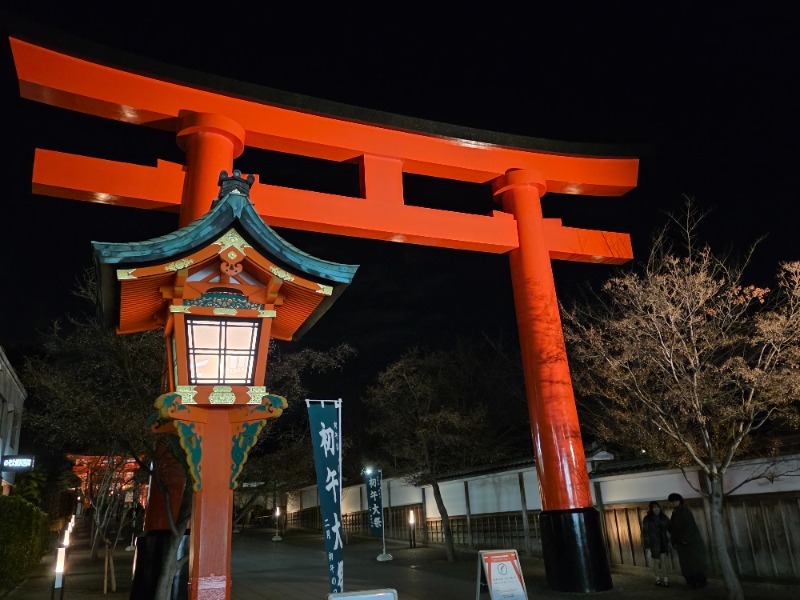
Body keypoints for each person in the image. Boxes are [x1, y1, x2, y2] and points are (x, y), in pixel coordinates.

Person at [667, 492, 708, 589]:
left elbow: (690, 526)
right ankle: (692, 582)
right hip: (682, 543)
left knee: (693, 563)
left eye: (675, 501)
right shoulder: (676, 513)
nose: (673, 503)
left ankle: (698, 582)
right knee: (687, 563)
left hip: (690, 543)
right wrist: (674, 540)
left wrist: (685, 539)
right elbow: (673, 528)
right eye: (671, 501)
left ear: (679, 501)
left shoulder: (685, 511)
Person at [642, 501, 671, 586]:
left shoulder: (663, 517)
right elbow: (645, 533)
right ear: (651, 509)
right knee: (656, 562)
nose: (656, 509)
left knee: (664, 561)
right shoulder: (647, 518)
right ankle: (657, 578)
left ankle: (666, 579)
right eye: (654, 507)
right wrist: (647, 547)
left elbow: (670, 527)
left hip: (663, 542)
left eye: (658, 507)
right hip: (653, 543)